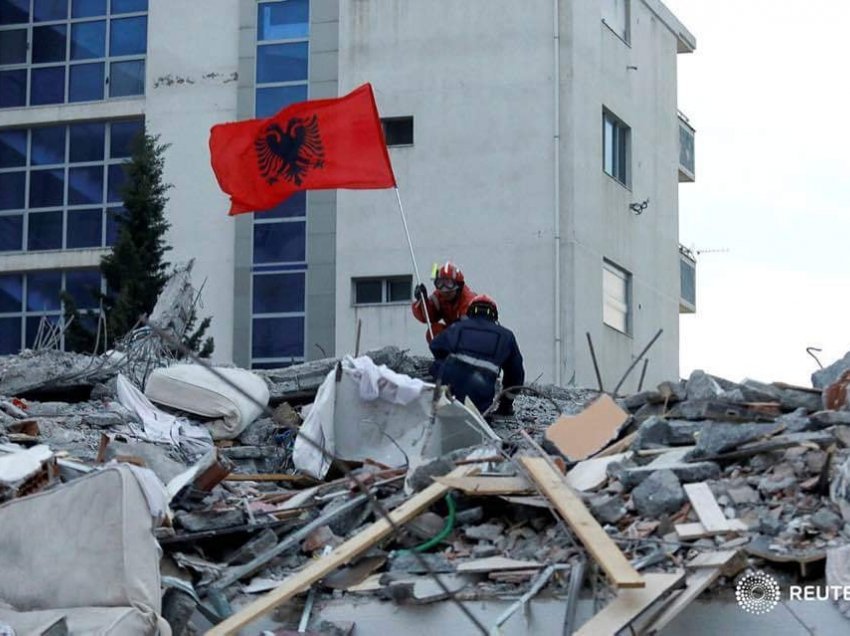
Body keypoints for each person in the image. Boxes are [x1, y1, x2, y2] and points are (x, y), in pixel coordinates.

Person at [429, 294, 525, 415]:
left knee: (438, 365)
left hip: (449, 388)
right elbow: (516, 375)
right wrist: (506, 405)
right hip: (479, 393)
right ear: (494, 315)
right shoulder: (506, 335)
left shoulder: (458, 327)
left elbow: (435, 346)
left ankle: (438, 400)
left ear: (470, 312)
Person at [411, 261, 477, 342]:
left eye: (449, 284)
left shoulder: (469, 301)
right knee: (434, 331)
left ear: (458, 287)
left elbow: (470, 327)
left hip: (471, 336)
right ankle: (443, 353)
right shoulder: (439, 296)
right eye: (440, 283)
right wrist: (422, 301)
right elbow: (428, 317)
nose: (444, 291)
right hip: (454, 334)